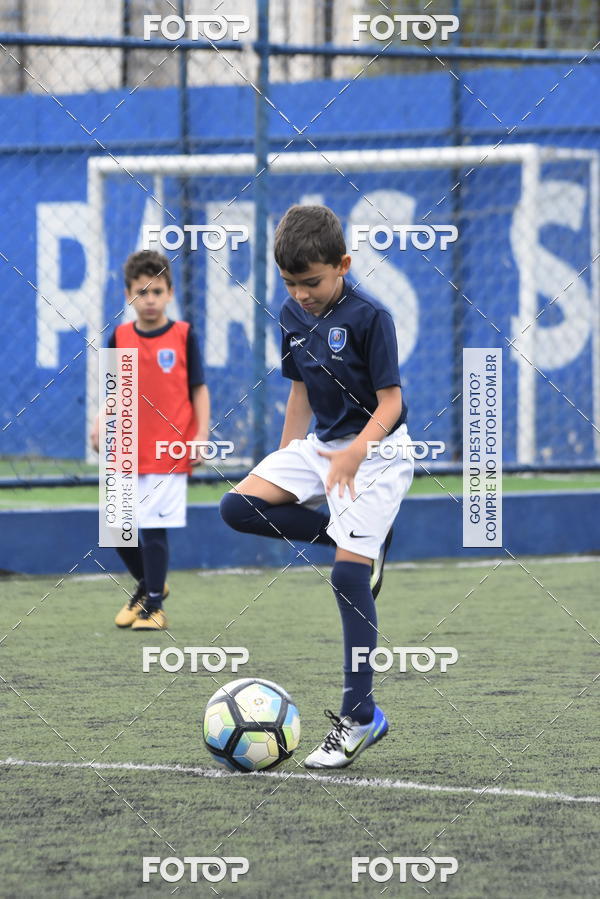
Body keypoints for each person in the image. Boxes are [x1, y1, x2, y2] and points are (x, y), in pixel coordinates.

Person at [219, 205, 414, 768]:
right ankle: (355, 541)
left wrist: (355, 453)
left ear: (343, 266)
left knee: (348, 577)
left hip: (375, 451)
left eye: (312, 282)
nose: (301, 294)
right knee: (238, 506)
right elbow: (300, 389)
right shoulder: (290, 313)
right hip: (321, 448)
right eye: (290, 284)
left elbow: (392, 403)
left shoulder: (371, 316)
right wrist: (286, 456)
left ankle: (360, 716)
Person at [91, 250, 209, 631]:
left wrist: (201, 436)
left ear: (170, 293)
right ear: (129, 294)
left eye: (157, 290)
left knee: (154, 528)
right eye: (142, 291)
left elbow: (199, 390)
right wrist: (100, 420)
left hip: (169, 449)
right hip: (126, 447)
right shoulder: (120, 337)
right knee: (117, 527)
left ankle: (154, 606)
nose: (150, 299)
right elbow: (115, 391)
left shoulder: (184, 335)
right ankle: (150, 584)